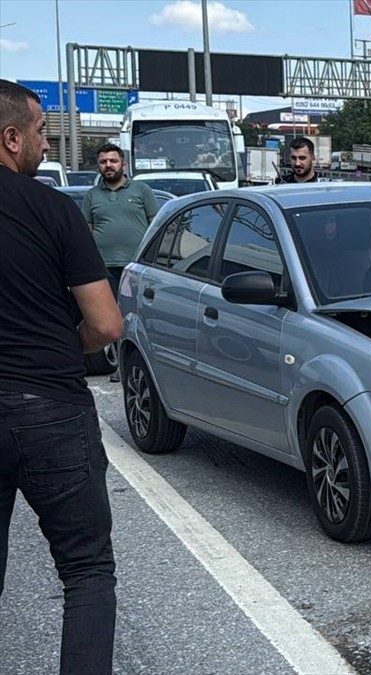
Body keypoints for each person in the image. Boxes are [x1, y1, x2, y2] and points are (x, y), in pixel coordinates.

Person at [0, 79, 124, 675]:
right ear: (11, 137)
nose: (46, 146)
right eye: (43, 133)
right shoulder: (53, 208)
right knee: (87, 570)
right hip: (51, 405)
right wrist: (59, 345)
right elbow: (105, 324)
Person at [82, 143, 158, 382]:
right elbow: (87, 232)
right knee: (114, 318)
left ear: (123, 164)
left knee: (138, 316)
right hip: (104, 267)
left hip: (137, 267)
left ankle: (147, 365)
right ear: (99, 166)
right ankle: (119, 368)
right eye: (104, 162)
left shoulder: (141, 191)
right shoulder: (92, 196)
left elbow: (155, 226)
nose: (108, 166)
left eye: (113, 161)